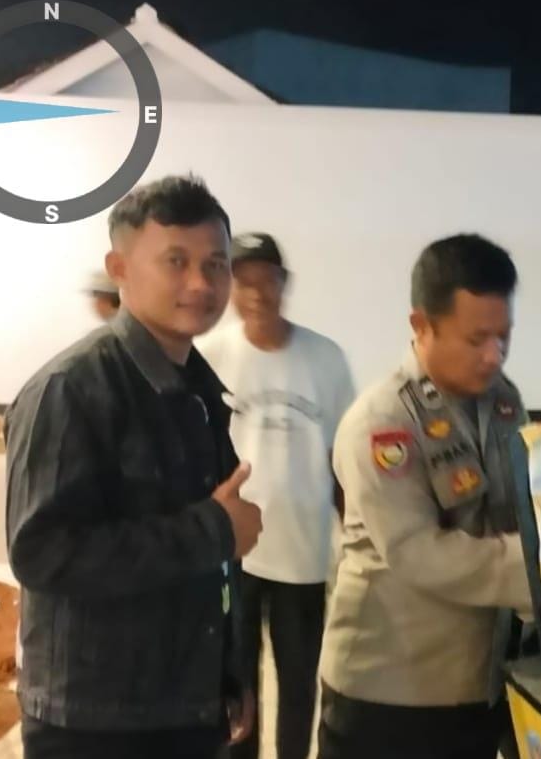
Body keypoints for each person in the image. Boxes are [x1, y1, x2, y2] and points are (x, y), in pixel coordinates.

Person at [4, 175, 262, 759]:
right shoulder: (70, 390)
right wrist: (213, 530)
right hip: (96, 722)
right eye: (176, 261)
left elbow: (211, 571)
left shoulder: (197, 389)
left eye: (216, 265)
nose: (201, 283)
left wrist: (228, 673)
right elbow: (42, 553)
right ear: (118, 268)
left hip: (184, 706)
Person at [318, 233, 533, 759]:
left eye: (504, 337)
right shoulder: (382, 422)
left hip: (478, 682)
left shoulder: (504, 403)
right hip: (391, 691)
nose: (494, 356)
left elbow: (523, 507)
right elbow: (419, 553)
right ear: (421, 325)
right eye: (476, 339)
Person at [198, 233, 355, 759]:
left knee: (299, 679)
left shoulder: (325, 359)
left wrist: (354, 532)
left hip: (303, 553)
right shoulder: (209, 356)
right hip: (233, 550)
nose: (257, 294)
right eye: (243, 282)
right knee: (236, 680)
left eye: (267, 281)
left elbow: (341, 457)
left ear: (285, 284)